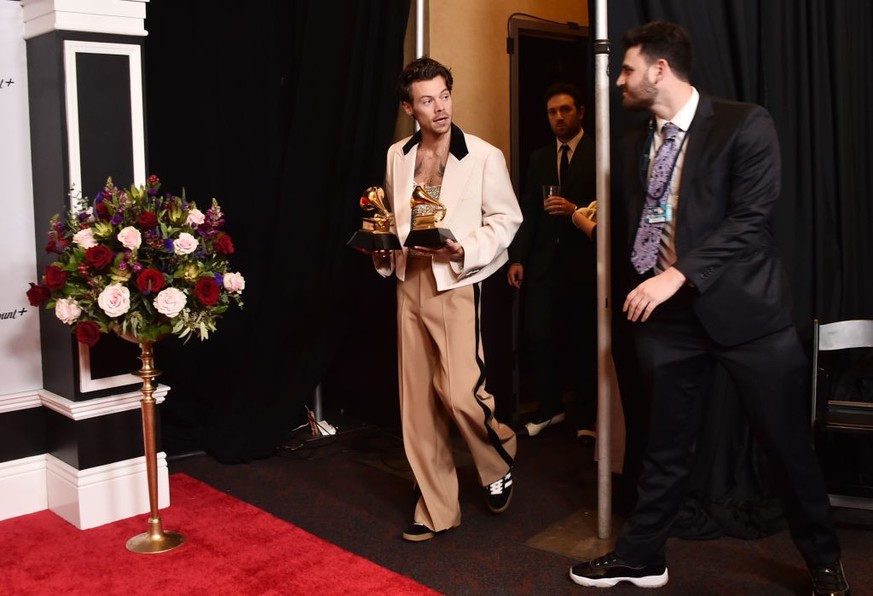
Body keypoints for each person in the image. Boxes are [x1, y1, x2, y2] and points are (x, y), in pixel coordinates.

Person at [569, 21, 850, 595]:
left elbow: (750, 220)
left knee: (787, 447)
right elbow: (647, 220)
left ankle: (824, 562)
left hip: (748, 318)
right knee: (662, 447)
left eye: (625, 69)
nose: (617, 80)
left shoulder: (745, 124)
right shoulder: (631, 144)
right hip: (668, 323)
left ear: (659, 70)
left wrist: (673, 276)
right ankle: (643, 556)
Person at [371, 57, 522, 542]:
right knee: (417, 402)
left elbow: (507, 220)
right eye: (428, 100)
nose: (440, 108)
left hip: (457, 282)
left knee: (460, 394)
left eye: (445, 95)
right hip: (408, 281)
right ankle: (436, 506)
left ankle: (497, 454)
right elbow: (396, 222)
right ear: (408, 107)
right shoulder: (398, 155)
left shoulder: (482, 155)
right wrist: (381, 249)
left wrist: (464, 248)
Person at [507, 83, 598, 439]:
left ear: (581, 112)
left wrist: (575, 210)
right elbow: (528, 210)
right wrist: (518, 258)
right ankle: (549, 409)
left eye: (565, 110)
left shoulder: (599, 151)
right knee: (538, 335)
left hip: (585, 262)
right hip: (545, 263)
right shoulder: (540, 157)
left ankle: (589, 418)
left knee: (586, 341)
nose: (558, 117)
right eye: (552, 112)